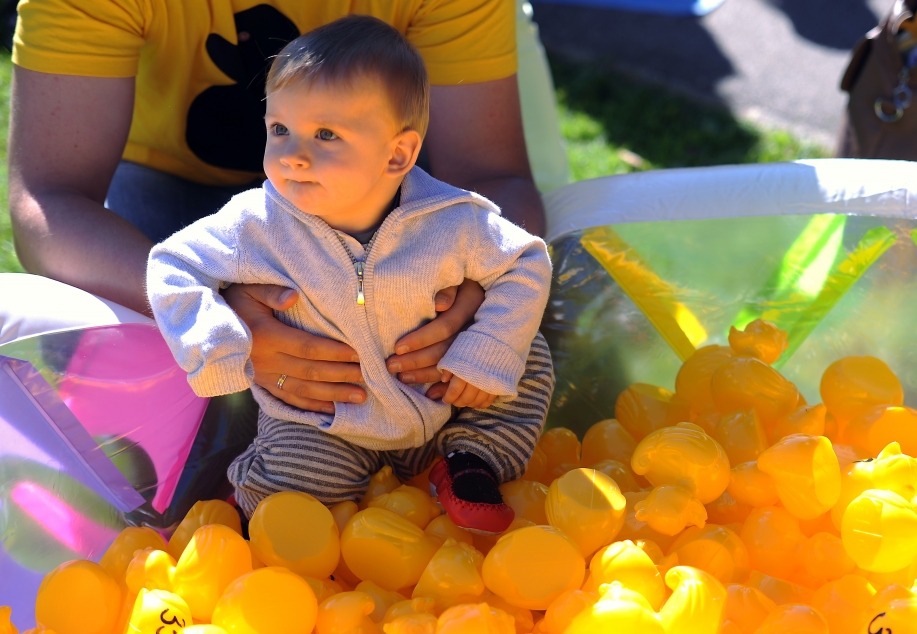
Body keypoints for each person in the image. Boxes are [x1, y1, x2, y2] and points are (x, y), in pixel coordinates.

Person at [6, 0, 545, 412]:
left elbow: (491, 176)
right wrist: (203, 309)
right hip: (165, 187)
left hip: (382, 200)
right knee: (123, 378)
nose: (293, 156)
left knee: (522, 365)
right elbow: (51, 200)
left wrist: (479, 295)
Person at [147, 16, 554, 533]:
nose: (292, 155)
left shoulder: (453, 220)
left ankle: (472, 464)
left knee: (525, 359)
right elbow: (173, 264)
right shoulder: (256, 224)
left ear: (398, 153)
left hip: (448, 399)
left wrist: (485, 352)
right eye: (279, 129)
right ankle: (252, 512)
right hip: (330, 419)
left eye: (325, 134)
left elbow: (526, 261)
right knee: (294, 482)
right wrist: (219, 344)